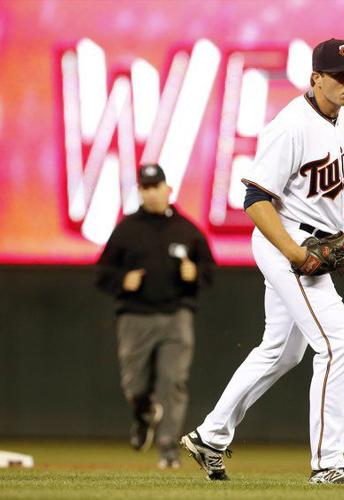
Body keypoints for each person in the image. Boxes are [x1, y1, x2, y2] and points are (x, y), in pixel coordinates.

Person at [181, 38, 344, 484]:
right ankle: (328, 464)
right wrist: (293, 253)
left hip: (312, 244)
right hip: (287, 242)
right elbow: (254, 199)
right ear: (316, 78)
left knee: (282, 351)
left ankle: (210, 436)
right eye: (339, 75)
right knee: (336, 343)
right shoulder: (290, 126)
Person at [96, 163, 215, 469]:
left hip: (176, 315)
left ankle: (168, 450)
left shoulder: (187, 230)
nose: (150, 193)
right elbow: (102, 273)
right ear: (140, 191)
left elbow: (209, 271)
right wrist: (122, 280)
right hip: (135, 317)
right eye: (145, 188)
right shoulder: (126, 229)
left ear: (168, 189)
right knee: (134, 384)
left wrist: (196, 273)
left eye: (155, 186)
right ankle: (143, 414)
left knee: (173, 382)